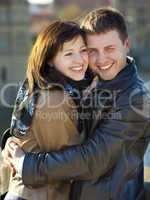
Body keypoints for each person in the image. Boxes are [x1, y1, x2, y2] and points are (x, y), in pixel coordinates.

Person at [2, 7, 150, 200]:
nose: (101, 58)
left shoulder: (137, 98)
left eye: (110, 49)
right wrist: (10, 142)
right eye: (92, 50)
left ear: (127, 44)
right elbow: (40, 130)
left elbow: (94, 158)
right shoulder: (84, 83)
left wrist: (25, 163)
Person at [0, 20, 90, 200]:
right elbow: (70, 163)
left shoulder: (39, 86)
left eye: (83, 50)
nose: (80, 60)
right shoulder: (54, 98)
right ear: (50, 61)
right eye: (69, 53)